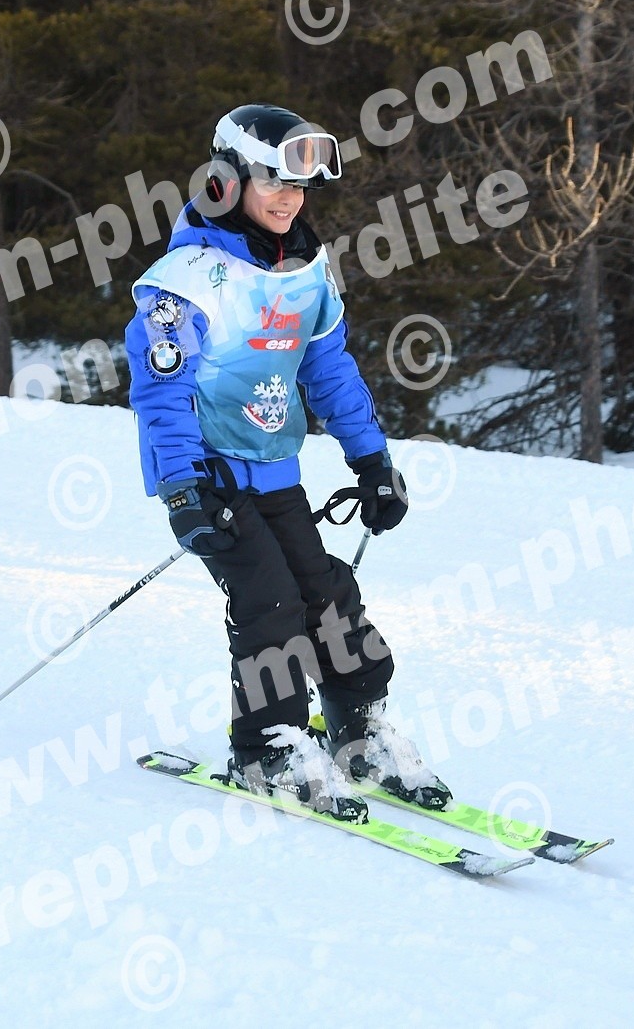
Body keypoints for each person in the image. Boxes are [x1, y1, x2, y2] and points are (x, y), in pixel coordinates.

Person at [124, 104, 450, 822]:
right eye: (272, 180)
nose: (288, 198)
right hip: (209, 478)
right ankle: (266, 748)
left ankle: (358, 730)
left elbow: (328, 369)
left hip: (276, 471)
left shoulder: (307, 270)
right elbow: (161, 391)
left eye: (299, 185)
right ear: (224, 180)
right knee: (269, 600)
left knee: (328, 593)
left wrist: (373, 461)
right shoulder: (186, 280)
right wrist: (180, 487)